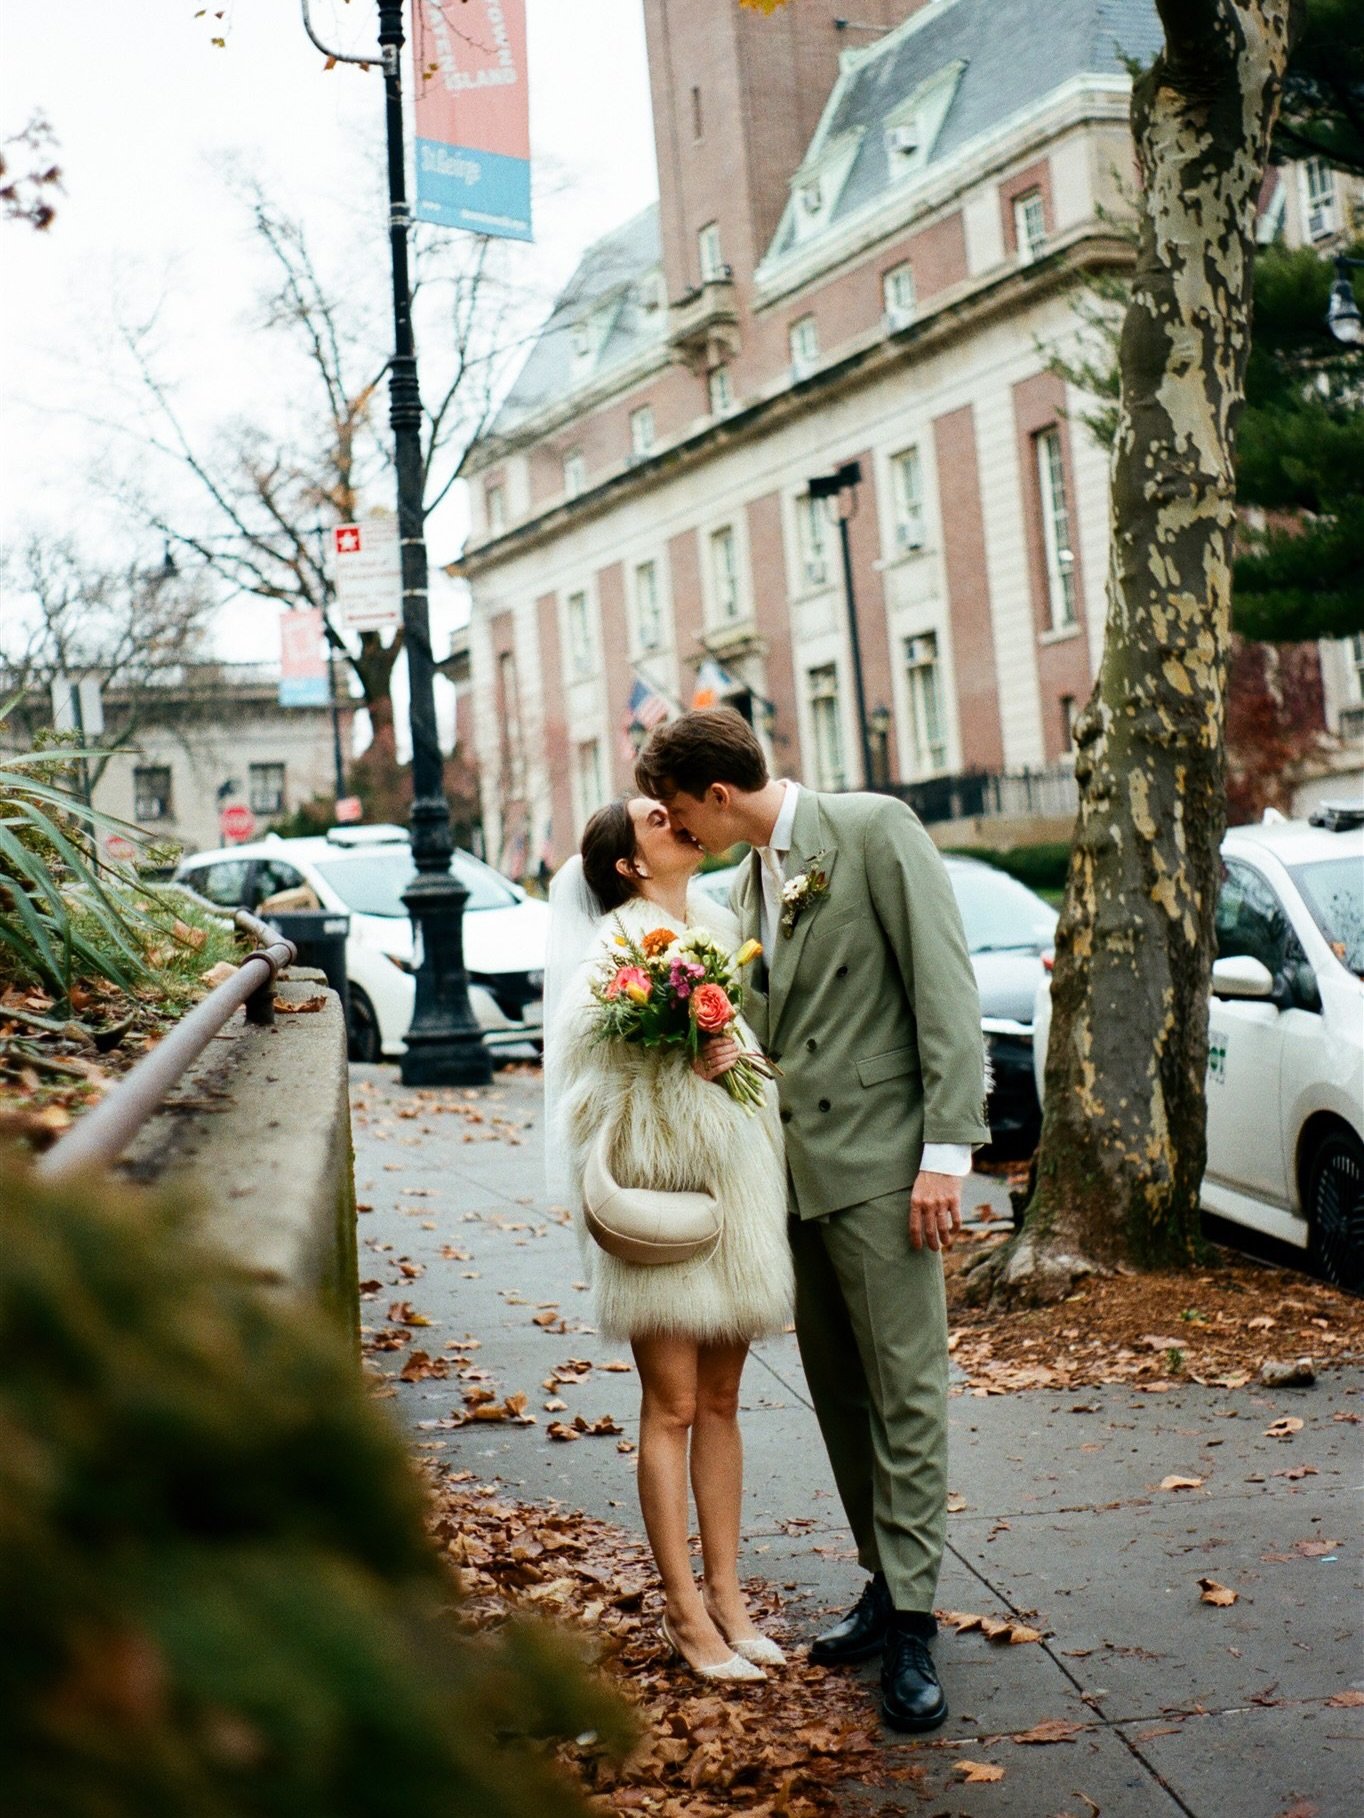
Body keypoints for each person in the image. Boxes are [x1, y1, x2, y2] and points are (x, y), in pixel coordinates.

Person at [634, 709, 989, 1733]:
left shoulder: (874, 830)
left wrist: (944, 1156)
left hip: (886, 1170)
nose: (677, 833)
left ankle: (915, 1623)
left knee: (905, 1389)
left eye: (677, 813)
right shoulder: (747, 881)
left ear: (713, 795)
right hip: (790, 1180)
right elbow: (768, 1029)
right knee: (839, 1395)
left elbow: (943, 991)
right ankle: (885, 1585)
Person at [543, 795, 794, 1684]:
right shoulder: (611, 955)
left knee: (723, 1403)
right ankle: (686, 1615)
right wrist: (678, 1060)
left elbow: (750, 1055)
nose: (677, 820)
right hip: (662, 1200)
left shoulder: (722, 926)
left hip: (738, 1195)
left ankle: (729, 1599)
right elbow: (590, 1098)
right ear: (630, 864)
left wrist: (738, 1061)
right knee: (674, 1405)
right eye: (656, 820)